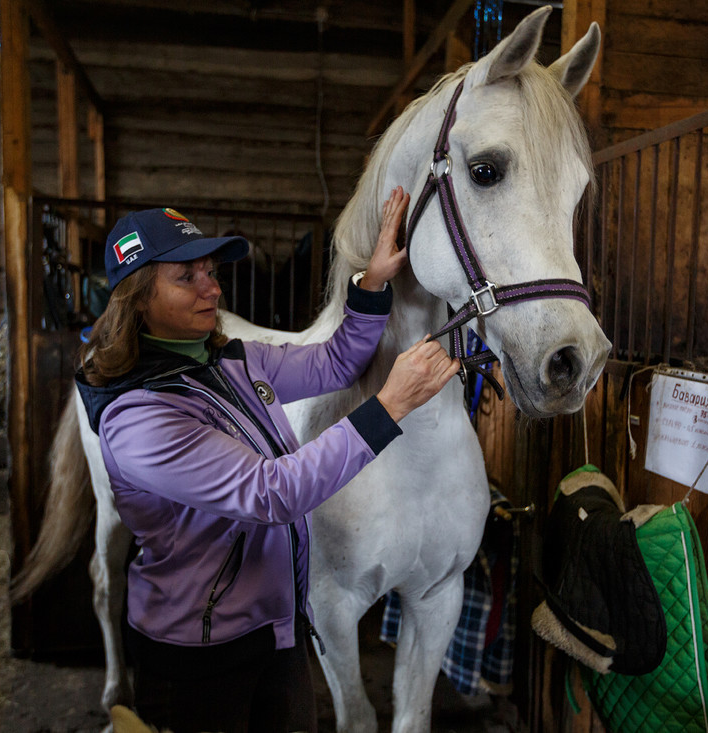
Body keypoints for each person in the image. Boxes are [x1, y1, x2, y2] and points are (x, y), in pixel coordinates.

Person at [75, 187, 459, 733]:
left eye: (210, 270)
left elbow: (334, 361)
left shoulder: (231, 359)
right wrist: (390, 406)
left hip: (277, 631)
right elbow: (270, 493)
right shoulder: (140, 416)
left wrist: (372, 283)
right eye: (187, 277)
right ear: (137, 299)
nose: (213, 288)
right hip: (200, 658)